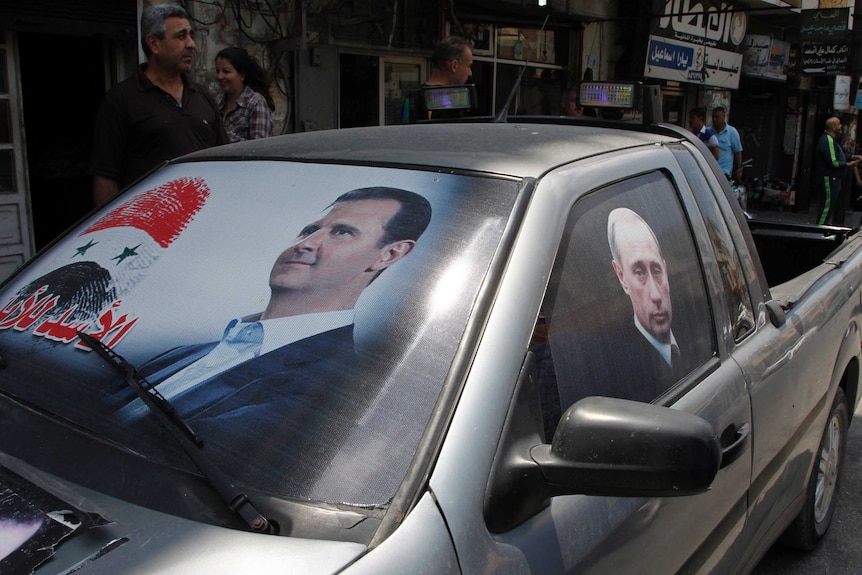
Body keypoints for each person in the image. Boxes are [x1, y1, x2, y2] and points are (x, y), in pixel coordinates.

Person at [113, 186, 432, 424]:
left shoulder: (334, 388)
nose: (305, 243)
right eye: (311, 229)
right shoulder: (187, 352)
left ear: (389, 254)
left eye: (342, 232)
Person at [89, 5, 227, 206]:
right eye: (181, 36)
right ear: (154, 44)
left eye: (191, 35)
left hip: (204, 217)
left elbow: (224, 160)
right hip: (151, 225)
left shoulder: (201, 95)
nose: (191, 44)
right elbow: (106, 177)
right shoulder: (121, 100)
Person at [606, 207, 687, 398]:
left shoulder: (698, 328)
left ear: (666, 270)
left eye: (657, 271)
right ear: (622, 277)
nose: (656, 295)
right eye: (639, 272)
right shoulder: (620, 371)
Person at [402, 36, 473, 122]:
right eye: (468, 66)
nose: (470, 73)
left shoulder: (411, 98)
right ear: (454, 65)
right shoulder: (454, 101)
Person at [215, 47, 275, 143]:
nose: (220, 77)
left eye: (226, 71)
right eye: (217, 71)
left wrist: (222, 134)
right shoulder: (217, 103)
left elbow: (259, 147)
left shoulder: (255, 102)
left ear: (242, 75)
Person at [815, 116, 862, 225]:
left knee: (830, 205)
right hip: (829, 177)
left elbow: (839, 156)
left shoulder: (833, 141)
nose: (841, 126)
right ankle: (819, 229)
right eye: (839, 124)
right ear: (834, 127)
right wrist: (848, 164)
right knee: (827, 206)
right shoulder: (827, 140)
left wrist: (852, 157)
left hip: (834, 178)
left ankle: (823, 227)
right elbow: (833, 162)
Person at [711, 106, 743, 181]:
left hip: (724, 172)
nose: (714, 119)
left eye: (717, 117)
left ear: (723, 117)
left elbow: (737, 151)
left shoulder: (732, 132)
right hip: (709, 171)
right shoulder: (708, 131)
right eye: (713, 117)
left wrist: (739, 168)